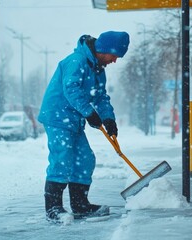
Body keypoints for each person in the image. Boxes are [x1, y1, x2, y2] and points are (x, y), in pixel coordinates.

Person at [38, 31, 130, 223]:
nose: (114, 61)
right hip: (58, 116)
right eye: (114, 56)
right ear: (105, 49)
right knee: (62, 159)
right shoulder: (77, 61)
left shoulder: (97, 69)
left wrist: (108, 119)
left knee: (85, 159)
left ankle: (80, 205)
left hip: (74, 119)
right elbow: (70, 88)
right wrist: (88, 112)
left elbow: (101, 96)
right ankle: (53, 209)